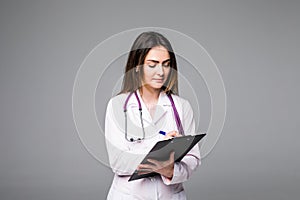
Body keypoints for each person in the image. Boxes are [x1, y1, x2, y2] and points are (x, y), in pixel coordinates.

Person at [105, 31, 200, 200]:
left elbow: (193, 159)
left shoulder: (182, 107)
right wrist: (159, 153)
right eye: (152, 64)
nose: (161, 72)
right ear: (137, 67)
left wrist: (171, 170)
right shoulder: (118, 106)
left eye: (166, 64)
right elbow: (118, 162)